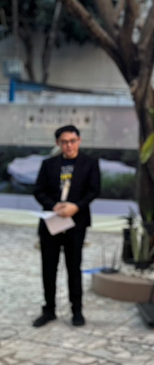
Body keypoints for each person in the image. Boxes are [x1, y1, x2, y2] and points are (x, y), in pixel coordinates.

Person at [32, 125, 101, 327]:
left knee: (73, 267)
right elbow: (38, 191)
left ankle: (76, 310)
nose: (69, 145)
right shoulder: (48, 164)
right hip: (51, 221)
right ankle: (49, 310)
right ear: (58, 143)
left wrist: (75, 207)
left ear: (79, 141)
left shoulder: (90, 163)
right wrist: (53, 205)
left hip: (76, 223)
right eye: (64, 142)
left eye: (72, 141)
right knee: (48, 268)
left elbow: (94, 190)